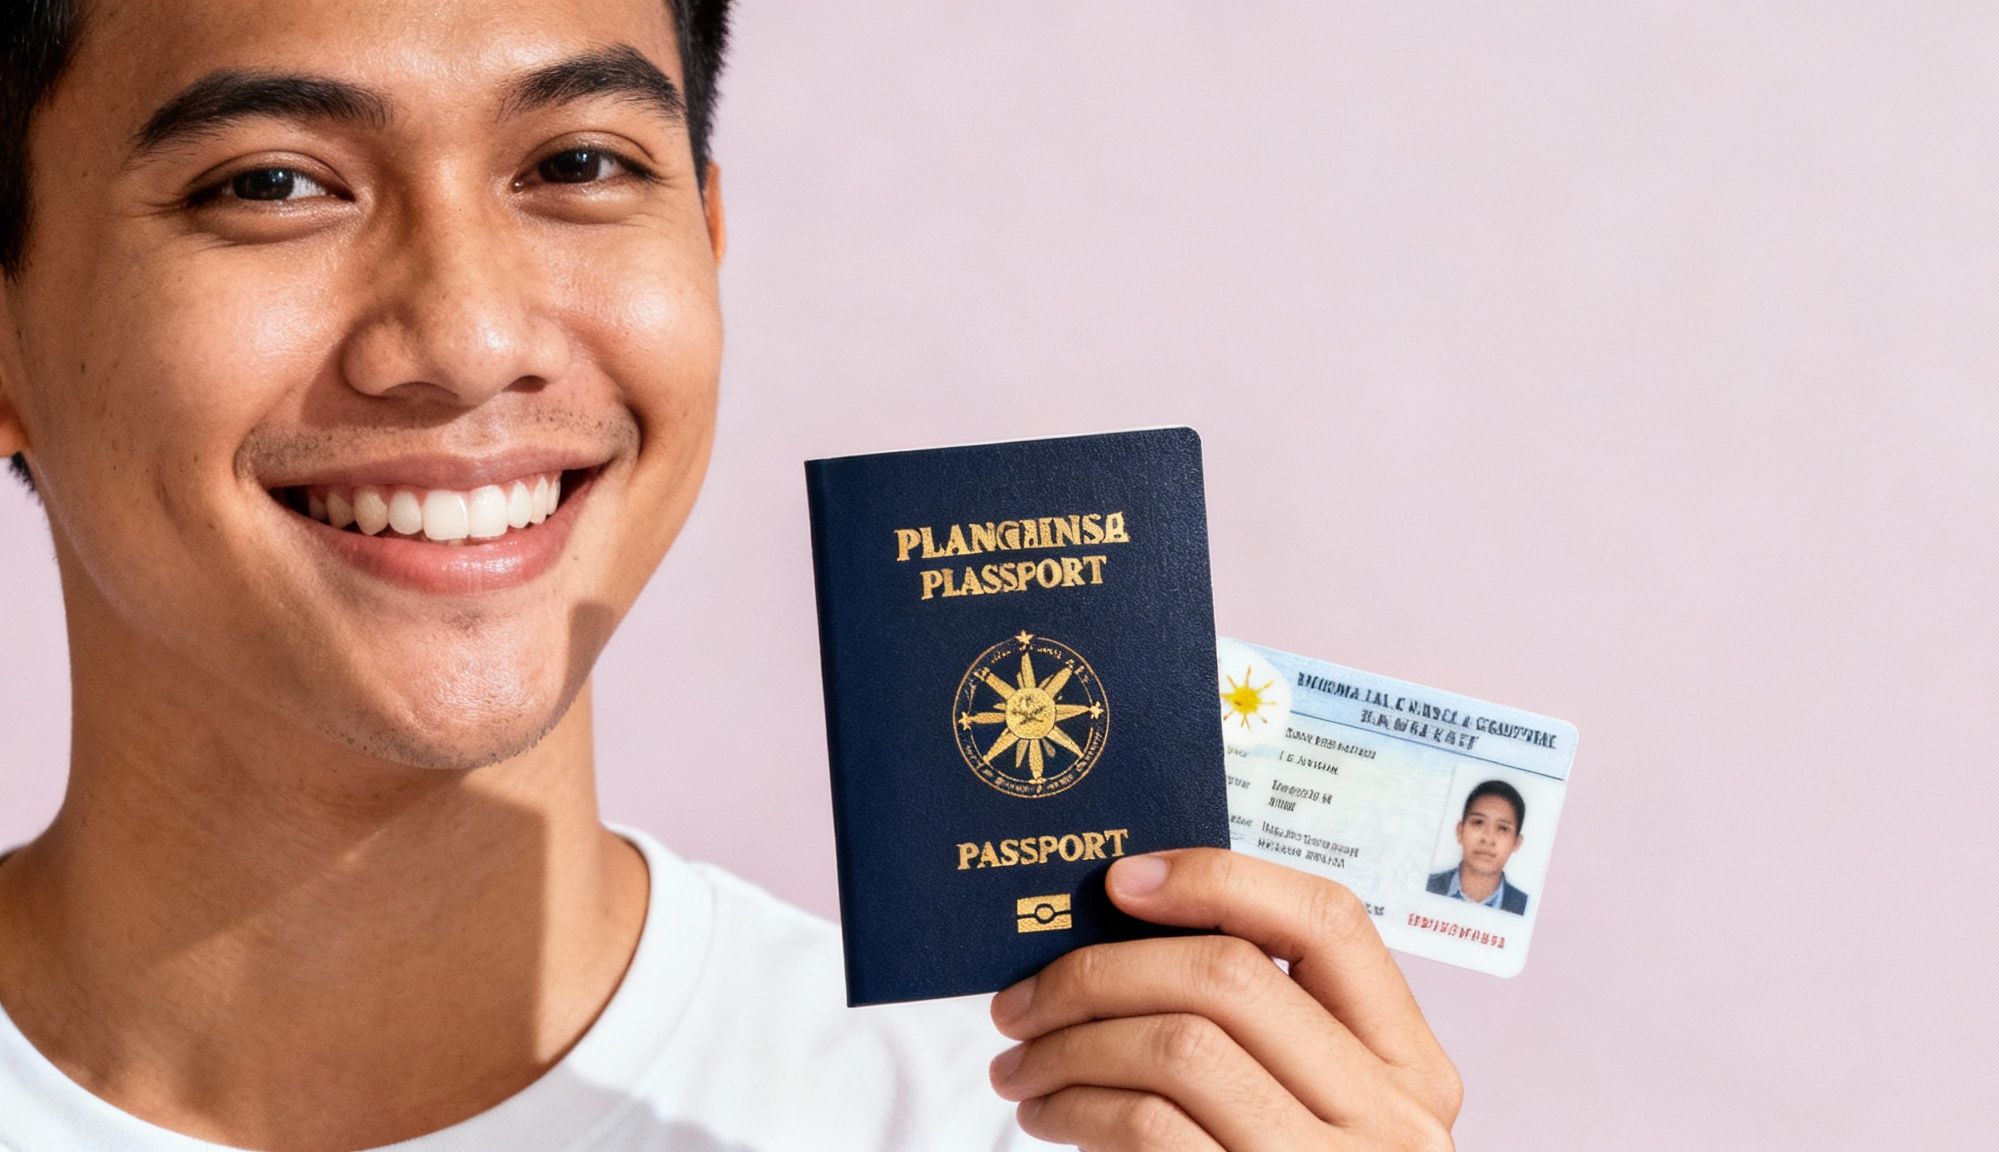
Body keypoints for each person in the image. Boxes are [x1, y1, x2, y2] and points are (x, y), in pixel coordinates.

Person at [0, 1, 1462, 1148]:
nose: (465, 335)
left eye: (577, 165)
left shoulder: (1043, 1128)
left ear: (706, 239)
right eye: (272, 183)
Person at [1427, 781, 1530, 916]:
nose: (1487, 839)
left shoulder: (1526, 909)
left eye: (1503, 828)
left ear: (1516, 843)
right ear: (1460, 831)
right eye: (1478, 822)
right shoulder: (1426, 887)